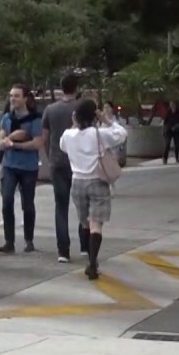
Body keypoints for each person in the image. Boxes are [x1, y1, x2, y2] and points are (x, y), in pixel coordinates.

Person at [59, 99, 129, 281]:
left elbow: (62, 147)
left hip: (77, 182)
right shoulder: (100, 134)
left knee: (85, 223)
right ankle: (92, 262)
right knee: (96, 224)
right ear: (94, 115)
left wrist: (75, 125)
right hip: (97, 181)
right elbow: (122, 133)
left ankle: (90, 258)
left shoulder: (68, 135)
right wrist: (106, 120)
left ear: (75, 116)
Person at [39, 73, 83, 264]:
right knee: (83, 204)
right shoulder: (82, 108)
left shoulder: (50, 110)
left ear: (61, 87)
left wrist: (49, 159)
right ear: (76, 88)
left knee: (61, 207)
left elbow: (45, 138)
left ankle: (63, 250)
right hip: (80, 163)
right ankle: (85, 245)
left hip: (57, 162)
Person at [0, 84, 42, 254]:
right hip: (9, 166)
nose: (13, 99)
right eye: (11, 96)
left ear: (25, 98)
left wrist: (14, 144)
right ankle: (9, 241)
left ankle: (29, 239)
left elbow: (38, 143)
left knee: (28, 204)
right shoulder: (7, 118)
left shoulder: (35, 119)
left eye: (16, 96)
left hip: (28, 167)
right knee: (7, 200)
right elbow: (1, 138)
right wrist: (5, 141)